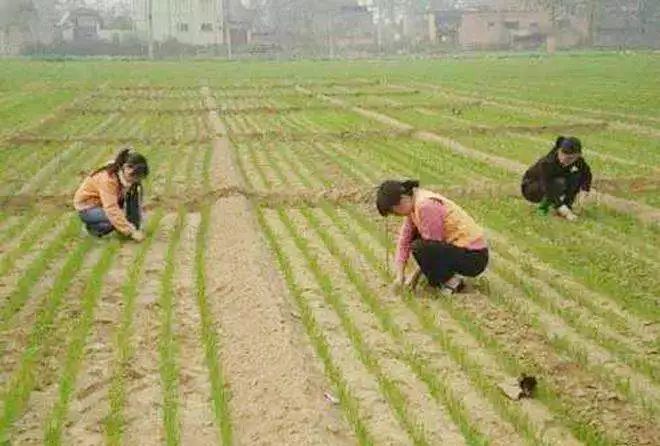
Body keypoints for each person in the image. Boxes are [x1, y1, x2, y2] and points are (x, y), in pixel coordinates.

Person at [376, 180, 489, 294]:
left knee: (420, 247)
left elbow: (432, 247)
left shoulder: (425, 206)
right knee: (417, 243)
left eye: (394, 212)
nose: (396, 215)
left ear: (402, 199)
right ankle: (445, 280)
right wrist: (399, 277)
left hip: (474, 256)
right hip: (459, 250)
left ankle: (453, 283)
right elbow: (404, 240)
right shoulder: (413, 206)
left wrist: (412, 278)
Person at [73, 148, 149, 241]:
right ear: (126, 167)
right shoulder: (108, 179)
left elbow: (136, 204)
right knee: (114, 220)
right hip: (88, 207)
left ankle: (123, 227)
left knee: (124, 218)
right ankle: (92, 229)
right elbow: (111, 209)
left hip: (106, 202)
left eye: (138, 177)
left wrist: (136, 227)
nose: (135, 179)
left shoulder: (131, 179)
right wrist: (131, 231)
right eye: (133, 175)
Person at [521, 136, 592, 221]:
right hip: (532, 188)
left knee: (576, 176)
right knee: (558, 182)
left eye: (570, 158)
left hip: (551, 185)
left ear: (578, 156)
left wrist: (585, 190)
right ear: (558, 150)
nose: (563, 160)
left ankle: (567, 205)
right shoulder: (547, 163)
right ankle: (543, 208)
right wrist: (562, 209)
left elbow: (586, 174)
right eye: (562, 155)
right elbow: (547, 187)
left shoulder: (577, 160)